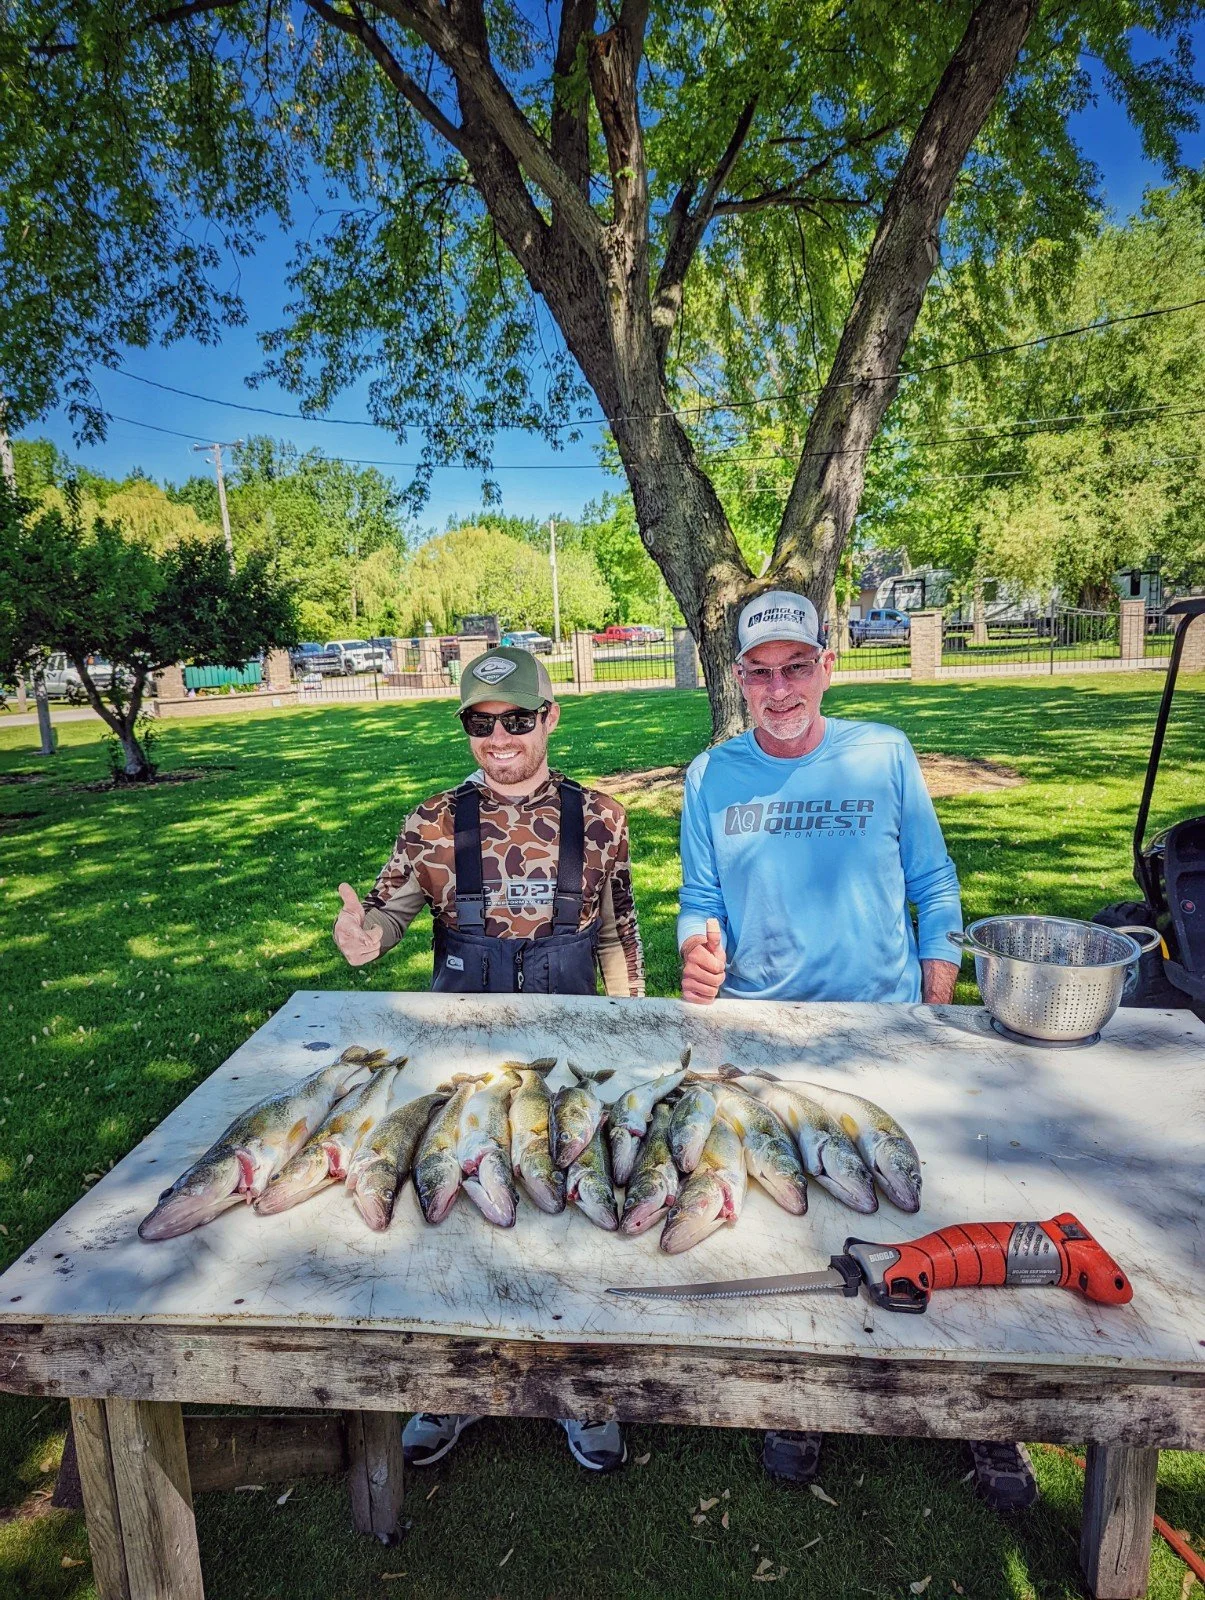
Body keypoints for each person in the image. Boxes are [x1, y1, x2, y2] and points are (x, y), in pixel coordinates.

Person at [677, 590, 1037, 1514]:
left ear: (826, 666)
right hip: (761, 1035)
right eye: (758, 672)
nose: (778, 687)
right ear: (739, 681)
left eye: (796, 666)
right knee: (786, 1215)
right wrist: (696, 944)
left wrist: (939, 963)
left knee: (936, 1205)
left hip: (884, 1025)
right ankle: (799, 1395)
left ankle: (981, 1408)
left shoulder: (880, 752)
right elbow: (698, 894)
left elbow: (931, 877)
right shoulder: (710, 774)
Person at [333, 645, 643, 1473]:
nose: (498, 738)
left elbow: (617, 934)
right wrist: (365, 936)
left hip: (569, 1058)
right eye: (479, 722)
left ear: (550, 717)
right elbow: (386, 912)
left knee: (575, 1210)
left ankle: (584, 1389)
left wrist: (632, 1025)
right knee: (459, 1212)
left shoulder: (602, 817)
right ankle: (451, 1388)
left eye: (516, 719)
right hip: (465, 1057)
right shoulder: (432, 821)